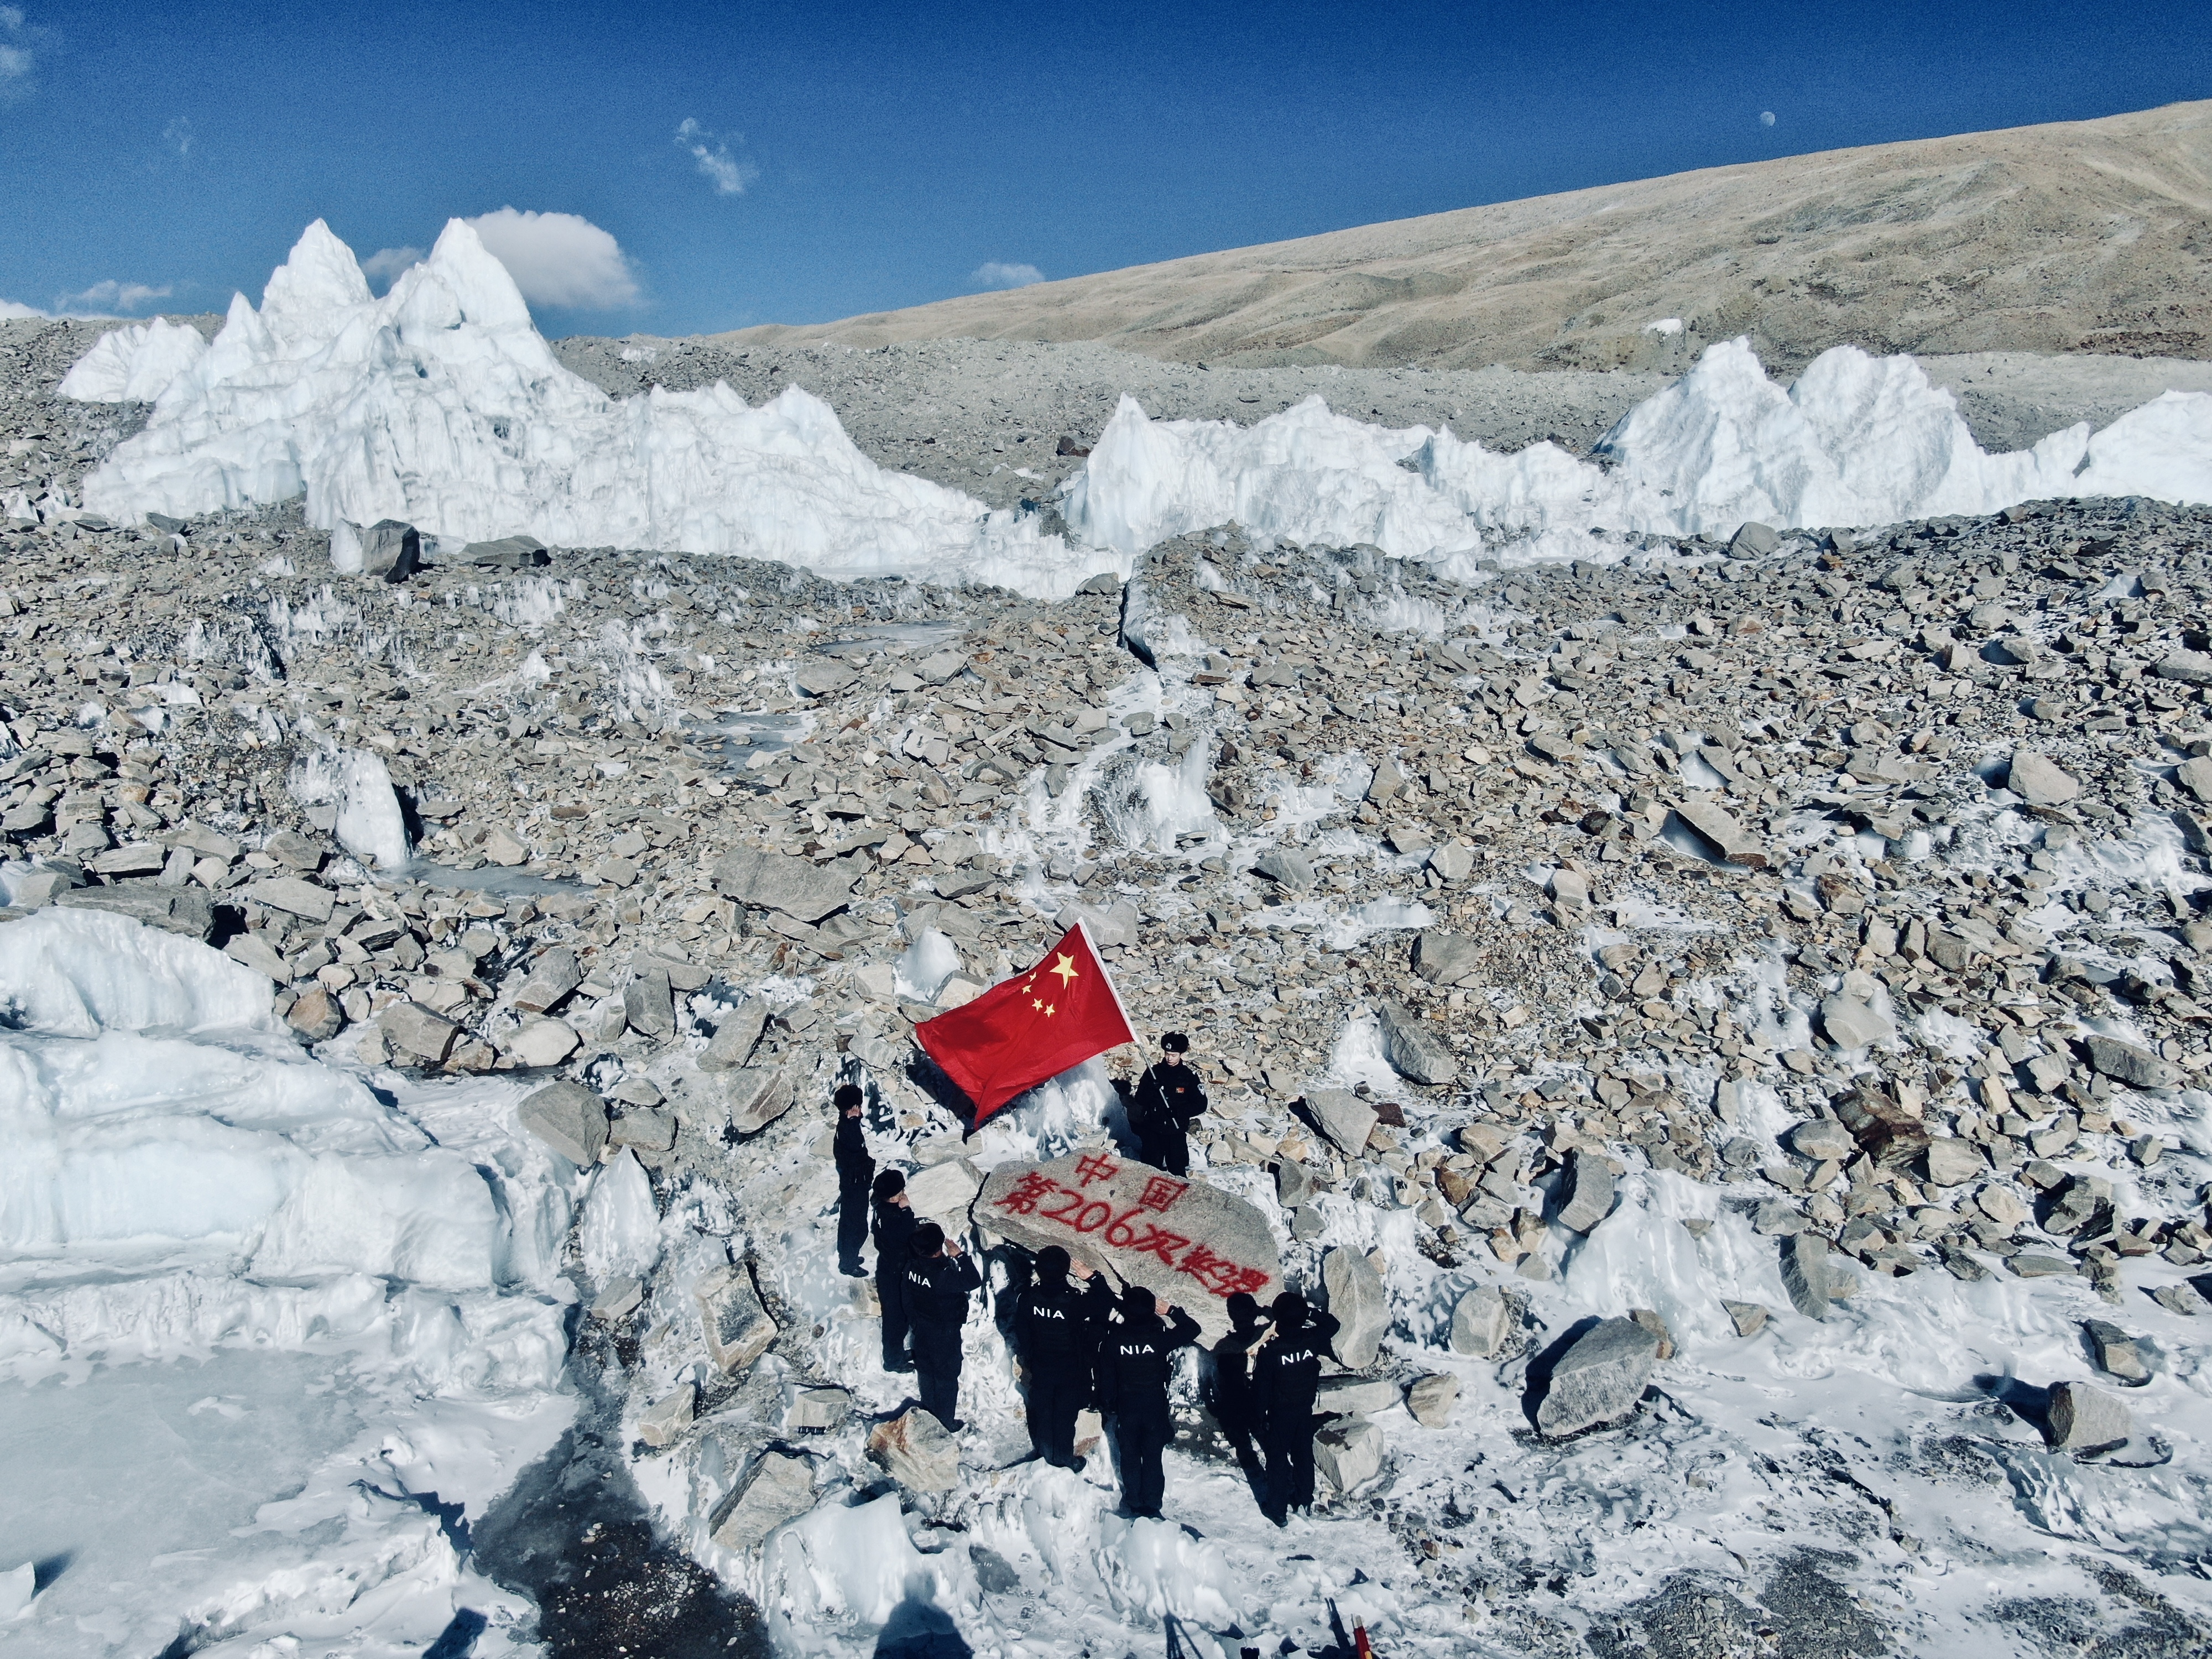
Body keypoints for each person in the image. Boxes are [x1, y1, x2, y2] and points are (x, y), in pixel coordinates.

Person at [1095, 1281, 1201, 1520]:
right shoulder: (1159, 1339)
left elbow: (1107, 1378)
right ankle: (1152, 1505)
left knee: (1130, 1455)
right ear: (1153, 1310)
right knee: (1153, 1456)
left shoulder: (1113, 1341)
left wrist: (1108, 1404)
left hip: (1127, 1404)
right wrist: (1172, 1311)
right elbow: (1193, 1329)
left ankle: (1134, 1501)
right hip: (1154, 1404)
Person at [1013, 1245, 1112, 1468]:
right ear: (1067, 1271)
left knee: (1044, 1410)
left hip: (1042, 1362)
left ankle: (1046, 1450)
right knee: (1065, 1416)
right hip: (1071, 1367)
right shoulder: (1075, 1301)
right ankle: (1062, 1459)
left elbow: (1022, 1329)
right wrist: (1093, 1278)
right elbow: (1107, 1302)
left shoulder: (1029, 1297)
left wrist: (1030, 1355)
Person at [1251, 1291, 1341, 1525]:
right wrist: (1308, 1312)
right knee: (1303, 1454)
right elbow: (1334, 1324)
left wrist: (1258, 1419)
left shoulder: (1270, 1352)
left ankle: (1277, 1509)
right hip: (1304, 1409)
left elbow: (1261, 1389)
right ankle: (1304, 1499)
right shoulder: (1312, 1339)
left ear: (1278, 1321)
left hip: (1280, 1414)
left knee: (1277, 1459)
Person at [902, 1222, 982, 1430]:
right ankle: (945, 1422)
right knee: (946, 1377)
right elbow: (973, 1280)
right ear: (939, 1248)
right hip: (945, 1333)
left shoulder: (911, 1267)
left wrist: (916, 1322)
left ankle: (928, 1411)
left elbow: (906, 1298)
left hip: (922, 1329)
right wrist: (960, 1256)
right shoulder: (943, 1276)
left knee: (926, 1371)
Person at [1205, 1291, 1270, 1478]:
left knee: (1242, 1439)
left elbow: (1217, 1380)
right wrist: (1261, 1310)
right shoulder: (1265, 1333)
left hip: (1238, 1403)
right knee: (1268, 1442)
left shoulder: (1224, 1347)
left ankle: (1251, 1466)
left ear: (1231, 1315)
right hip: (1264, 1399)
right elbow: (1279, 1319)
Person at [1129, 1032, 1208, 1175]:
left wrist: (1179, 1111)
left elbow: (1201, 1104)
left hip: (1175, 1131)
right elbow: (1140, 1099)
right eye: (1167, 1054)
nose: (1170, 1058)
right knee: (1149, 1170)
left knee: (1178, 1171)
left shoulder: (1188, 1077)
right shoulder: (1153, 1073)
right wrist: (1151, 1089)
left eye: (1174, 1055)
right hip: (1153, 1129)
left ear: (1181, 1054)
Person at [871, 1168, 917, 1373]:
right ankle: (893, 1361)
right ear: (895, 1195)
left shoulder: (880, 1209)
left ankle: (896, 1353)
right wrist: (907, 1210)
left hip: (887, 1267)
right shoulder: (896, 1217)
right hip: (896, 1272)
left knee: (894, 1317)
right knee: (896, 1319)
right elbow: (907, 1234)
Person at [832, 1083, 873, 1277]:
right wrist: (853, 1122)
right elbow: (855, 1151)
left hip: (855, 1184)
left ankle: (850, 1257)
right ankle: (848, 1264)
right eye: (857, 1106)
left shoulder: (847, 1126)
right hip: (855, 1185)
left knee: (853, 1223)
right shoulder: (848, 1129)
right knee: (855, 1227)